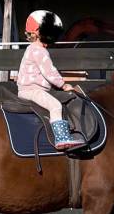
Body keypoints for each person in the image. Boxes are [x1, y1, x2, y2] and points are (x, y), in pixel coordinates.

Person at [17, 10, 85, 150]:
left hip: (28, 89)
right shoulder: (39, 51)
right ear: (38, 33)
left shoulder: (31, 48)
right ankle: (61, 139)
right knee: (55, 106)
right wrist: (63, 85)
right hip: (33, 91)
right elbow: (49, 72)